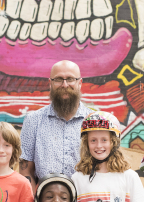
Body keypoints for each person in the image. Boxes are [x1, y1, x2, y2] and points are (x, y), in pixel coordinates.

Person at [19, 60, 91, 192]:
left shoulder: (92, 121)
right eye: (58, 79)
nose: (64, 84)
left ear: (79, 83)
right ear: (50, 83)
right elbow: (25, 170)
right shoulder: (33, 120)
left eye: (70, 79)